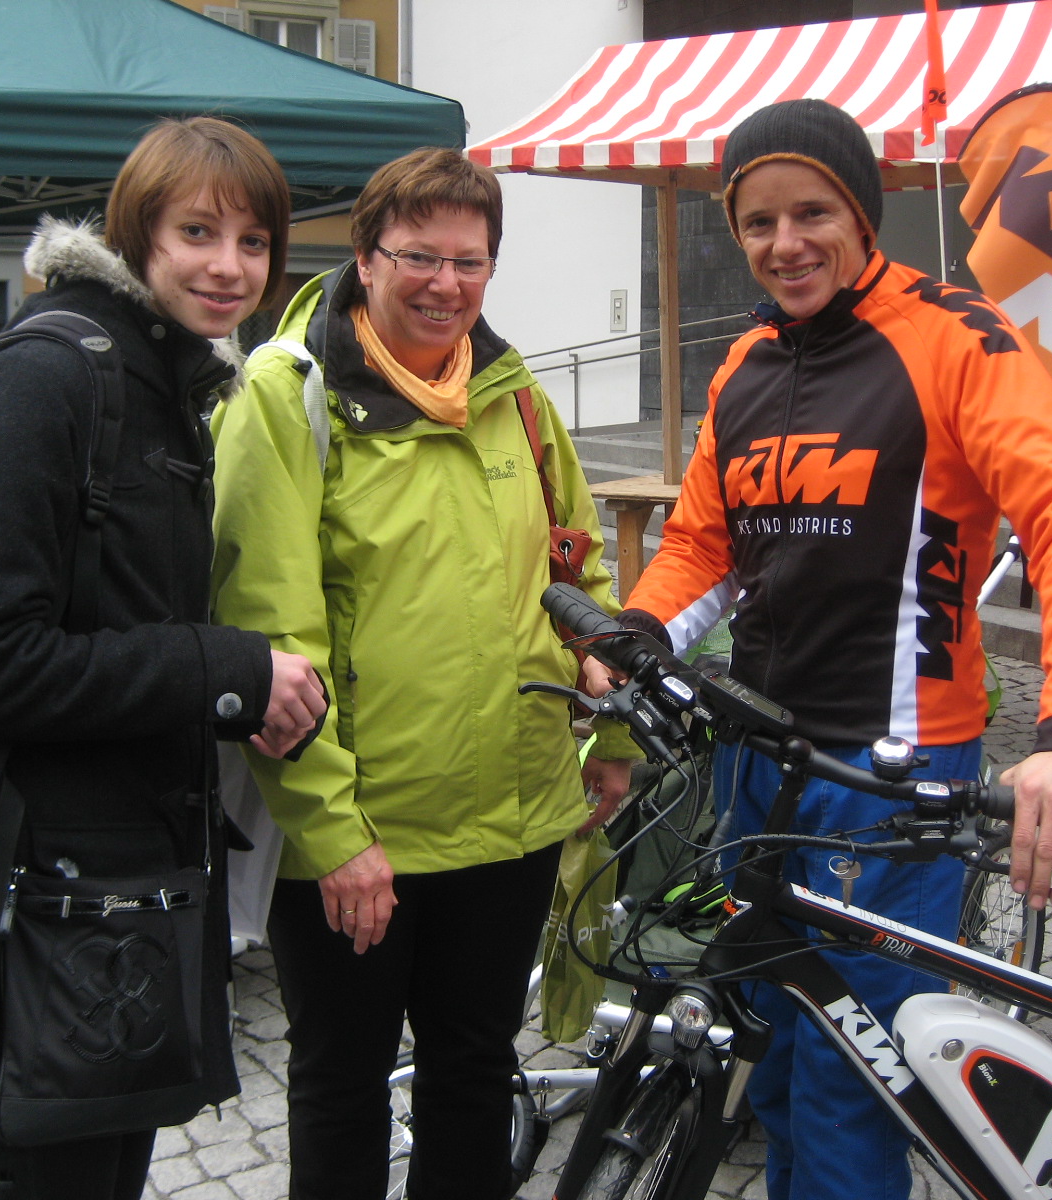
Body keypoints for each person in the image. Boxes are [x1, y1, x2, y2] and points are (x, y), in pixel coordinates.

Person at [610, 100, 1052, 1200]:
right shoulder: (745, 363)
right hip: (759, 760)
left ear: (862, 213)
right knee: (772, 1044)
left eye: (812, 213)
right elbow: (705, 544)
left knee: (853, 1076)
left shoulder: (954, 336)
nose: (785, 243)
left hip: (891, 772)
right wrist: (636, 637)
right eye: (757, 223)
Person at [0, 116, 326, 1200]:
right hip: (40, 891)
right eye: (197, 233)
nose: (230, 268)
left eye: (255, 242)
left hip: (122, 884)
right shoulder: (45, 379)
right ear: (136, 235)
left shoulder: (164, 383)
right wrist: (226, 671)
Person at [209, 146, 638, 1200]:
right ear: (365, 258)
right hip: (363, 835)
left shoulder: (513, 394)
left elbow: (578, 569)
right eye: (419, 257)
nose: (447, 284)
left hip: (511, 819)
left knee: (475, 1077)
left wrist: (615, 726)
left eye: (470, 261)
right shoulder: (289, 396)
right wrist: (330, 831)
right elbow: (271, 636)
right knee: (342, 1087)